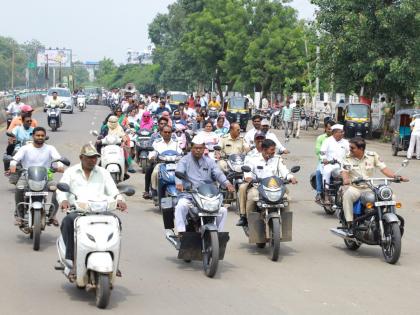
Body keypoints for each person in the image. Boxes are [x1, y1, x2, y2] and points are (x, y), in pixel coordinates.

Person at [57, 144, 127, 279]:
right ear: (81, 157)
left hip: (101, 211)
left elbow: (114, 191)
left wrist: (119, 200)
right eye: (89, 157)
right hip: (79, 211)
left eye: (95, 158)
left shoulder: (103, 172)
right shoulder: (71, 172)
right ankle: (72, 262)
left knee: (116, 222)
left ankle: (114, 262)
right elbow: (61, 190)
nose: (92, 160)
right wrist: (64, 201)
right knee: (67, 222)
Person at [341, 137, 408, 234]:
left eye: (352, 147)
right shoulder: (347, 158)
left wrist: (396, 177)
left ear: (361, 149)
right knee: (348, 195)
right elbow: (344, 171)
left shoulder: (372, 155)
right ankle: (349, 223)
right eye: (350, 147)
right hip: (355, 187)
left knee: (391, 196)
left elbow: (384, 169)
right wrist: (346, 179)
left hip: (370, 187)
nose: (350, 149)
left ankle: (389, 220)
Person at [174, 136, 234, 235]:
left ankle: (218, 234)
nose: (198, 150)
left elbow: (218, 173)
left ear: (204, 149)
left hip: (207, 196)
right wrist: (179, 183)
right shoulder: (184, 160)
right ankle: (181, 232)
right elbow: (179, 172)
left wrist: (227, 183)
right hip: (190, 195)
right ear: (191, 148)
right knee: (181, 205)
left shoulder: (209, 161)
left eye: (200, 148)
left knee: (223, 211)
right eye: (195, 148)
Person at [10, 127, 64, 226]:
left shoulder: (50, 148)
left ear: (45, 137)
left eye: (42, 136)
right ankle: (19, 215)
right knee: (19, 188)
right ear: (33, 136)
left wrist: (60, 166)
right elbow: (15, 159)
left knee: (58, 189)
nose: (40, 137)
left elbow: (58, 159)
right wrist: (13, 165)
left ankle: (52, 215)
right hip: (26, 176)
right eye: (38, 135)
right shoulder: (25, 148)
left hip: (45, 178)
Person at [236, 139, 298, 226]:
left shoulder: (277, 159)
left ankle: (285, 221)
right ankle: (246, 218)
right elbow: (247, 171)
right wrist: (248, 177)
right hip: (257, 186)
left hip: (275, 187)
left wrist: (291, 177)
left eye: (274, 150)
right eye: (272, 150)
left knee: (286, 197)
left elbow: (284, 170)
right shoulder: (253, 159)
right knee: (252, 195)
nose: (274, 152)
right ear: (264, 150)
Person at [146, 125, 183, 198]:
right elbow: (153, 152)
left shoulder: (176, 142)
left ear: (171, 133)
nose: (167, 134)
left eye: (169, 132)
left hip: (175, 164)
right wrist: (152, 157)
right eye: (165, 132)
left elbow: (180, 152)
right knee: (155, 172)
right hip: (161, 164)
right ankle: (154, 190)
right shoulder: (157, 142)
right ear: (161, 133)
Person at [319, 124, 349, 190]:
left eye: (343, 132)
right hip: (330, 164)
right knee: (326, 171)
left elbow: (349, 153)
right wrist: (324, 159)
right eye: (341, 132)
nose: (342, 133)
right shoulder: (327, 141)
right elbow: (322, 152)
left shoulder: (346, 142)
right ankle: (326, 191)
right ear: (335, 133)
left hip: (342, 165)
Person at [314, 120, 335, 201]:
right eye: (329, 129)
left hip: (337, 162)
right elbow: (318, 151)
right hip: (324, 161)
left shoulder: (339, 139)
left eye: (332, 129)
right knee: (319, 172)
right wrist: (324, 159)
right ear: (325, 128)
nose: (331, 131)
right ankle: (319, 192)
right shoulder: (321, 138)